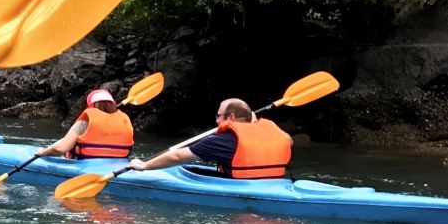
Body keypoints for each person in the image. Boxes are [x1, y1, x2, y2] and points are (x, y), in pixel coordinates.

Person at [128, 98, 292, 178]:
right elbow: (288, 141)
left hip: (244, 187)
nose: (216, 120)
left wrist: (144, 166)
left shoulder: (222, 140)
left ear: (232, 118)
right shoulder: (271, 129)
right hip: (275, 183)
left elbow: (177, 156)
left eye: (219, 116)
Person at [38, 88, 134, 160]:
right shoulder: (125, 121)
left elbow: (61, 149)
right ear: (113, 104)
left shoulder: (85, 123)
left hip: (85, 165)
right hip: (117, 166)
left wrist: (44, 152)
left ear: (90, 105)